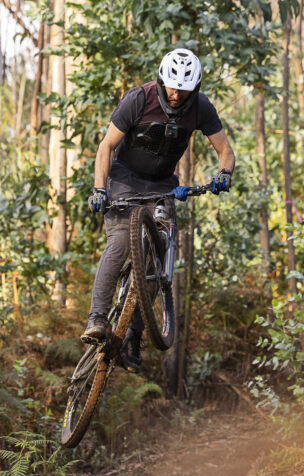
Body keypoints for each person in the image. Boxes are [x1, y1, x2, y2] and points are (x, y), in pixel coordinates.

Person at [82, 48, 236, 372]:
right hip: (124, 179)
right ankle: (97, 318)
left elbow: (225, 150)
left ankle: (134, 336)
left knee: (160, 255)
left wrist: (224, 173)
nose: (176, 94)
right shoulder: (139, 99)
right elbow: (106, 146)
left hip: (163, 184)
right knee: (119, 243)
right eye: (172, 87)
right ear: (162, 80)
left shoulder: (201, 107)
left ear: (195, 89)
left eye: (184, 90)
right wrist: (99, 189)